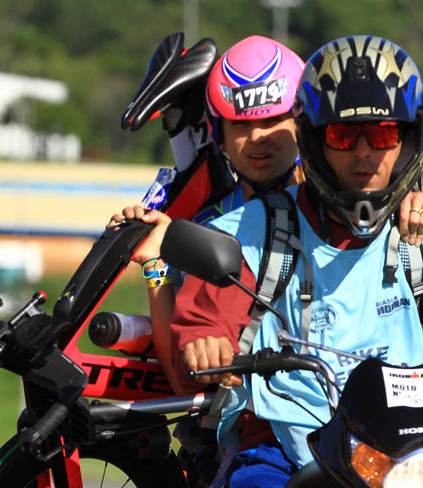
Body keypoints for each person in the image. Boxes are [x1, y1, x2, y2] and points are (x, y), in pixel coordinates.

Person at [164, 34, 423, 487]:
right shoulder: (249, 230)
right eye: (344, 135)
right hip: (285, 452)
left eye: (382, 134)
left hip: (406, 450)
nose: (364, 152)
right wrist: (205, 341)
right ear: (316, 141)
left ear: (407, 142)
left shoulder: (415, 227)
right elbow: (205, 320)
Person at [111, 35, 423, 394]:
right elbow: (189, 364)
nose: (258, 137)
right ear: (220, 135)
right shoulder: (218, 230)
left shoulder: (398, 208)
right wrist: (158, 268)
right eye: (240, 125)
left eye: (273, 119)